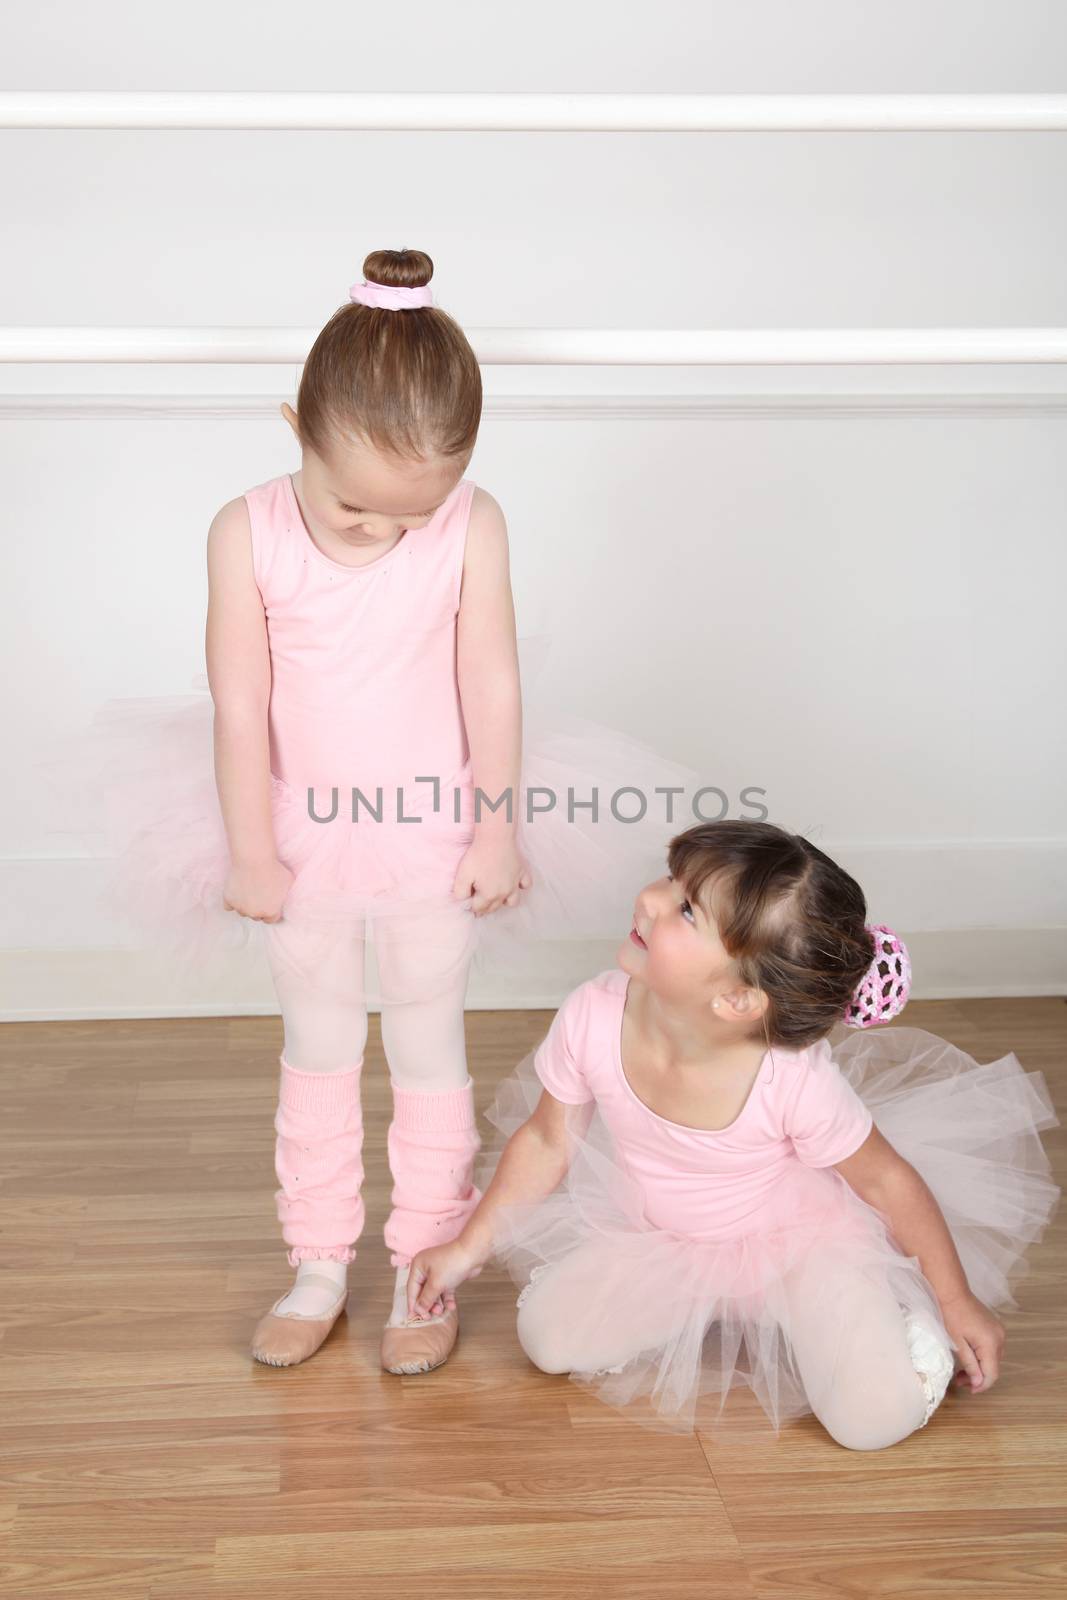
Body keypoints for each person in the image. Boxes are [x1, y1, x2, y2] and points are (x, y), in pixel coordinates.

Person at [63, 248, 707, 1377]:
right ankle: (316, 1258)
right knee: (314, 1044)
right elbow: (241, 699)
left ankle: (425, 1259)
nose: (376, 531)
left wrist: (497, 827)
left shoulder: (471, 523)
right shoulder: (244, 530)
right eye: (351, 502)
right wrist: (251, 848)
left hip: (431, 821)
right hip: (295, 829)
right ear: (292, 428)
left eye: (411, 514)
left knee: (425, 1042)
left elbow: (489, 683)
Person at [404, 820, 1062, 1449]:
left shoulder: (790, 1079)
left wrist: (953, 1299)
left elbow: (886, 1179)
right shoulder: (593, 1015)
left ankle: (888, 1318)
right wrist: (466, 1248)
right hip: (666, 1240)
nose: (650, 899)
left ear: (739, 1002)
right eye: (669, 878)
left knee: (870, 1421)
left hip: (797, 1247)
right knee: (546, 1340)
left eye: (686, 910)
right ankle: (708, 1303)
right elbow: (547, 1140)